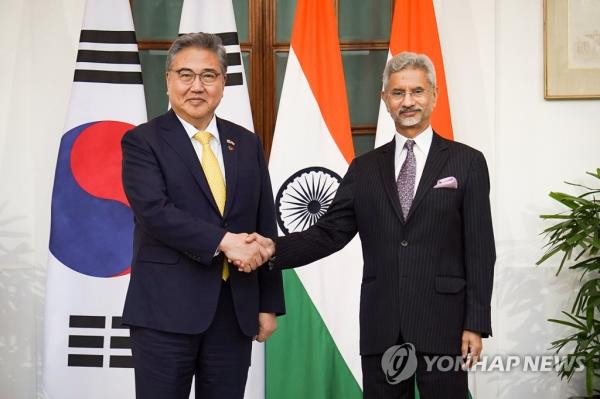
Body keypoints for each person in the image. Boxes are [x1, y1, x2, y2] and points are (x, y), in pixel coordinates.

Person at [244, 52, 495, 399]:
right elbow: (329, 233)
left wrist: (476, 322)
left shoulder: (467, 162)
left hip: (445, 325)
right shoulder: (364, 170)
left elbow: (481, 249)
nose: (408, 102)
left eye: (417, 91)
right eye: (398, 93)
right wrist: (271, 248)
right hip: (382, 325)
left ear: (434, 96)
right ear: (385, 101)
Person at [120, 32, 284, 399]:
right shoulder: (142, 141)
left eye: (209, 76)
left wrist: (268, 304)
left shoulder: (245, 142)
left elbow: (263, 224)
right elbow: (154, 213)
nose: (197, 86)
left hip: (233, 313)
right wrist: (225, 243)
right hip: (165, 313)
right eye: (186, 75)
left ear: (223, 83)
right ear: (168, 80)